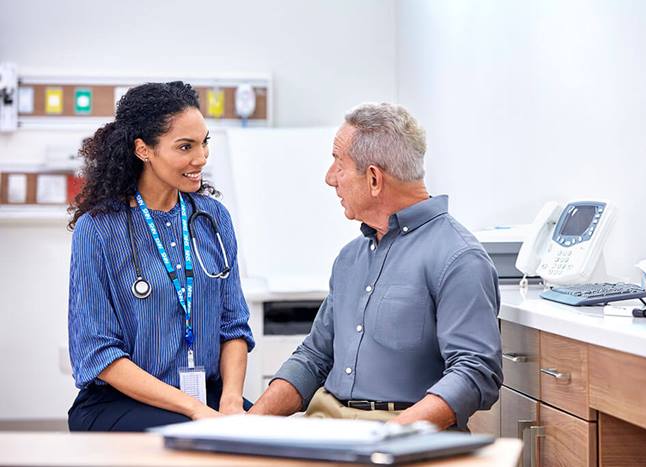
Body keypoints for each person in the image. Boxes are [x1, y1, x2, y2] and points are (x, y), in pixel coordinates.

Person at [248, 103, 502, 430]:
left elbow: (475, 371)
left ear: (373, 179)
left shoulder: (459, 258)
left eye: (338, 164)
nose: (329, 178)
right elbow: (313, 359)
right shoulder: (350, 258)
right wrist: (245, 427)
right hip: (326, 425)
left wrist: (391, 435)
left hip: (404, 434)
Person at [66, 82, 254, 432]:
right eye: (186, 147)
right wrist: (194, 410)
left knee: (264, 436)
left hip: (207, 398)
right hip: (120, 402)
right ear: (143, 150)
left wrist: (230, 401)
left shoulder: (213, 218)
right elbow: (99, 354)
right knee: (195, 437)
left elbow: (233, 327)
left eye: (204, 142)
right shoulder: (99, 229)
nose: (201, 158)